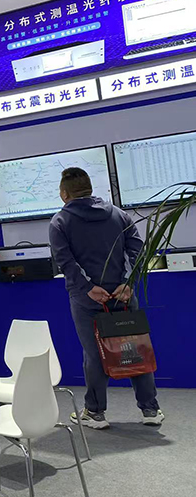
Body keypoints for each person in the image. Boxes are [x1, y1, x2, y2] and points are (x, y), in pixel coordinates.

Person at [49, 167, 163, 428]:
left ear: (64, 194)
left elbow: (65, 261)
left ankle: (95, 412)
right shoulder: (119, 214)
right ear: (89, 189)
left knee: (94, 354)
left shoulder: (59, 222)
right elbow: (137, 250)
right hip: (123, 296)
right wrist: (128, 282)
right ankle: (150, 410)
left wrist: (88, 288)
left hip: (87, 300)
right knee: (135, 348)